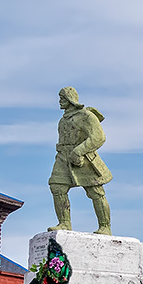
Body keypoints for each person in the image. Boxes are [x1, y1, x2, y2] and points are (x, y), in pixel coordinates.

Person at [48, 86, 113, 234]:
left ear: (71, 99)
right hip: (63, 158)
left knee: (96, 192)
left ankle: (105, 227)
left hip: (83, 158)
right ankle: (64, 223)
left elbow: (98, 137)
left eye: (63, 98)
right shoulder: (62, 120)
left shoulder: (86, 115)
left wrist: (79, 151)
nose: (60, 101)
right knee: (57, 187)